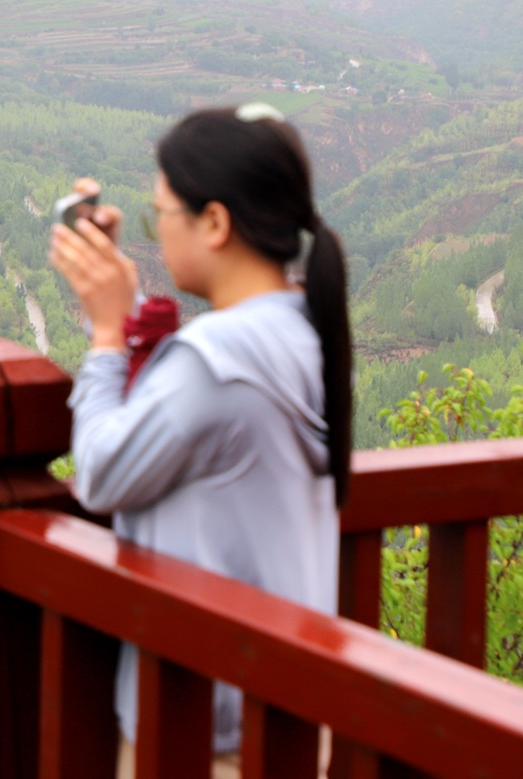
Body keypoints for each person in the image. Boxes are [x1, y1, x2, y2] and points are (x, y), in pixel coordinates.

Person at [47, 104, 350, 778]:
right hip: (292, 712)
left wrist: (104, 334)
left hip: (200, 730)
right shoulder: (301, 330)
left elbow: (99, 472)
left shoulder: (218, 358)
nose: (159, 235)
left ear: (215, 222)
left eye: (163, 218)